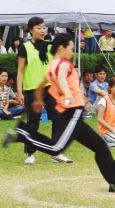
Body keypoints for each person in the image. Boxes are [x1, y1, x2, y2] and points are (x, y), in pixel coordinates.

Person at [3, 33, 115, 192]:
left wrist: (38, 100)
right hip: (70, 114)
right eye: (71, 49)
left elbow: (41, 85)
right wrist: (66, 93)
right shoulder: (62, 64)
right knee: (55, 148)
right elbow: (61, 79)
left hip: (75, 116)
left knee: (101, 147)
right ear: (61, 48)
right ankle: (20, 133)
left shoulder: (52, 65)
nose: (73, 52)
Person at [17, 17, 71, 164]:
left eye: (43, 27)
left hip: (50, 89)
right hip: (32, 90)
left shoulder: (49, 47)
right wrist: (19, 91)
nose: (42, 30)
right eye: (38, 28)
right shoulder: (25, 47)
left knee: (58, 119)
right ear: (30, 30)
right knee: (33, 122)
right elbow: (20, 71)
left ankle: (56, 152)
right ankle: (30, 154)